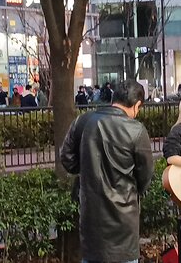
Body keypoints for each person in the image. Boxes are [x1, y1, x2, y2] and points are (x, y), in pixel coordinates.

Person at [60, 79, 154, 263]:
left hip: (91, 218)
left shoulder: (83, 121)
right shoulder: (136, 130)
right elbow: (145, 174)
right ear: (137, 105)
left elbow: (67, 158)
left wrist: (87, 169)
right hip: (124, 220)